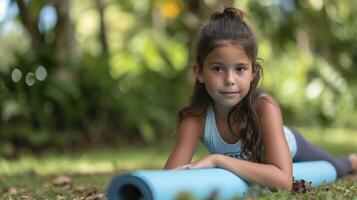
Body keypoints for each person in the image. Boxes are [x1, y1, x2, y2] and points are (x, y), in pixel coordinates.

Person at [163, 7, 357, 191]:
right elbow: (170, 178)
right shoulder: (196, 119)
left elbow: (283, 181)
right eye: (217, 68)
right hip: (264, 168)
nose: (229, 80)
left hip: (292, 149)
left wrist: (218, 160)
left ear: (253, 72)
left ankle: (352, 160)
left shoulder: (264, 107)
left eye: (240, 69)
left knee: (337, 169)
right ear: (200, 73)